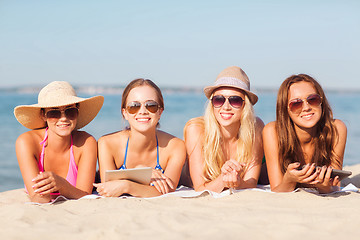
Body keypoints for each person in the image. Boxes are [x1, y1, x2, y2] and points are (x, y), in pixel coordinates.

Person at [14, 81, 104, 203]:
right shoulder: (27, 143)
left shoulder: (86, 143)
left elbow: (85, 195)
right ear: (43, 115)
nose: (63, 118)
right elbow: (38, 198)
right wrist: (57, 187)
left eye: (70, 111)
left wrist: (61, 185)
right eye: (54, 112)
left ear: (78, 111)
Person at [94, 78, 186, 198]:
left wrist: (127, 185)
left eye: (151, 105)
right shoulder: (106, 144)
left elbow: (167, 191)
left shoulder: (175, 146)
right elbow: (109, 188)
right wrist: (142, 172)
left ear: (160, 112)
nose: (142, 111)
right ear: (125, 113)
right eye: (134, 106)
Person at [183, 66, 264, 193]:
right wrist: (223, 179)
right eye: (219, 99)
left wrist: (238, 182)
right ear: (212, 103)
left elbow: (251, 183)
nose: (226, 107)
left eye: (235, 100)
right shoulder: (196, 129)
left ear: (245, 106)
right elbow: (199, 189)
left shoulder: (256, 126)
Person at [263, 74, 347, 193]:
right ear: (285, 109)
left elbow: (335, 186)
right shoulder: (272, 131)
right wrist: (289, 180)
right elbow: (277, 190)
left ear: (321, 102)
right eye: (296, 103)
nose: (306, 107)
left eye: (313, 99)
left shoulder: (337, 129)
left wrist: (323, 186)